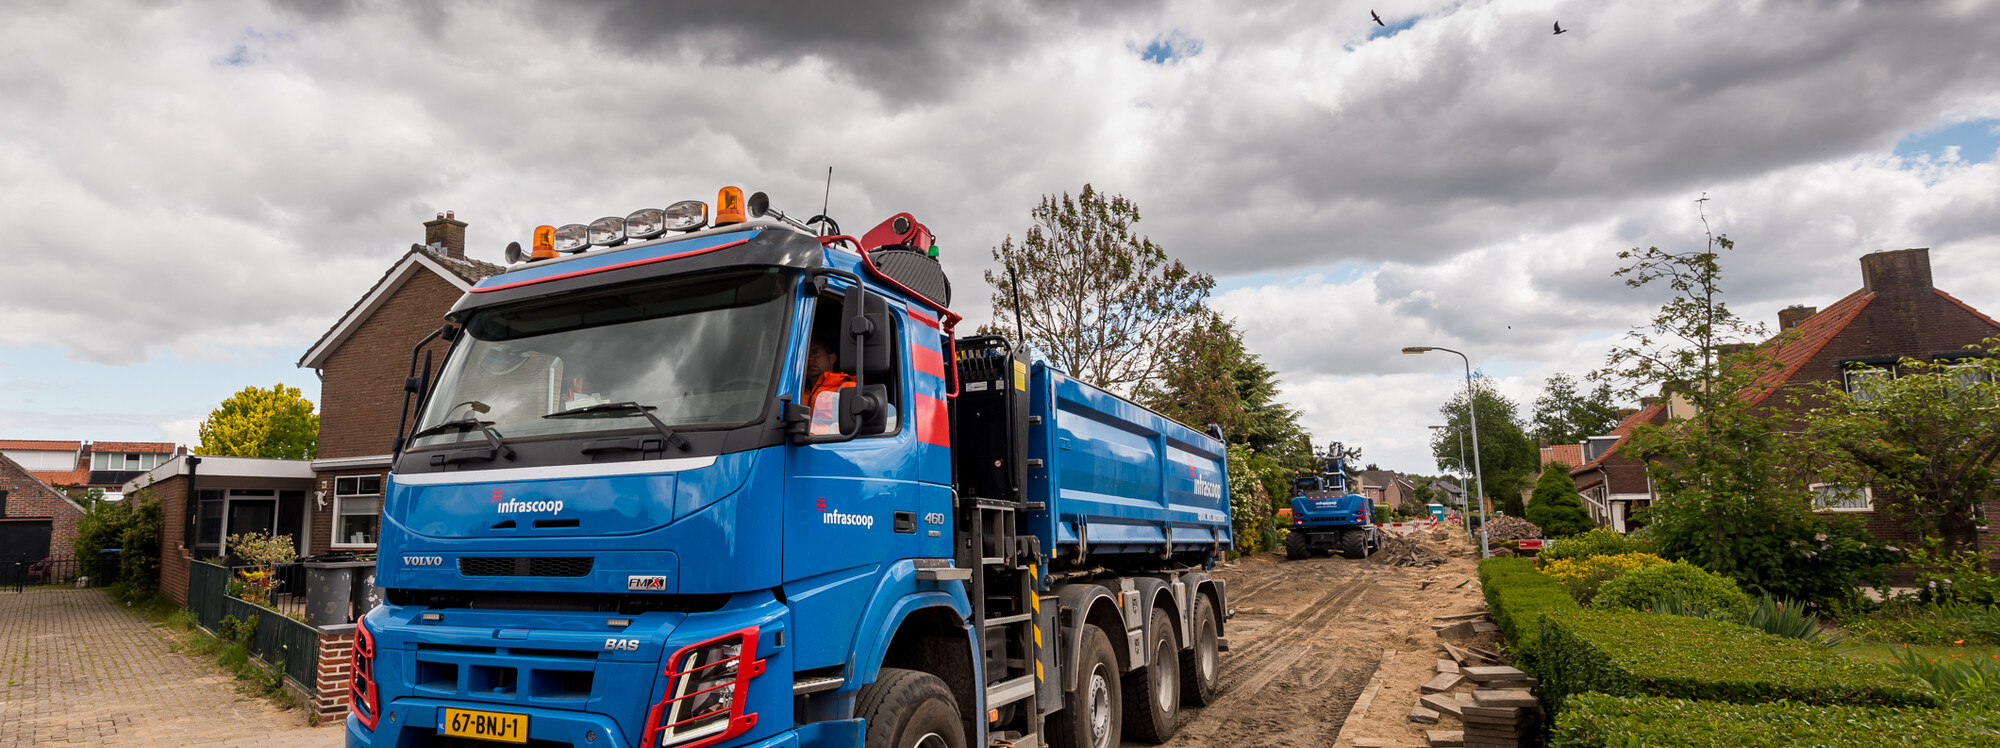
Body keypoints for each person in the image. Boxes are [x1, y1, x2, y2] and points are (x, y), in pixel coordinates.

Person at [804, 338, 854, 404]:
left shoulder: (847, 388)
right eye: (807, 354)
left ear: (832, 359)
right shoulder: (795, 389)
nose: (809, 359)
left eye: (815, 352)